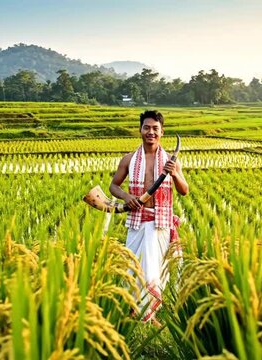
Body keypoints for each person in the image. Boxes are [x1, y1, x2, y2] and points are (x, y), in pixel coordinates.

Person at [109, 110, 189, 324]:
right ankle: (135, 309)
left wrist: (174, 174)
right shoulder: (128, 159)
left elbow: (184, 190)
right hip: (137, 220)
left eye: (155, 128)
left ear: (162, 132)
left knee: (153, 271)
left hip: (159, 222)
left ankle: (149, 314)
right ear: (140, 130)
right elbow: (113, 185)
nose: (150, 132)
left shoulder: (171, 161)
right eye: (147, 128)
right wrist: (127, 197)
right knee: (134, 267)